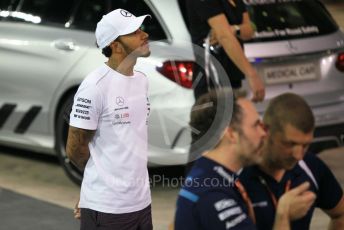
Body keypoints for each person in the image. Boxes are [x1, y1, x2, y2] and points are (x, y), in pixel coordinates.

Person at [174, 89, 316, 230]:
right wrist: (283, 215)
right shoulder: (214, 196)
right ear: (231, 133)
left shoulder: (206, 175)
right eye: (255, 125)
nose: (263, 134)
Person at [66, 9, 152, 230]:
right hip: (108, 210)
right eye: (134, 32)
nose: (144, 35)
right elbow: (74, 148)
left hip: (142, 203)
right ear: (115, 45)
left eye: (140, 28)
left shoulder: (142, 80)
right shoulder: (94, 87)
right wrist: (94, 191)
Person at [239, 93, 344, 230]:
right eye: (290, 144)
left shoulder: (311, 166)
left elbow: (340, 214)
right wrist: (283, 215)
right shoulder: (237, 175)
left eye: (305, 145)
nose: (298, 155)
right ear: (265, 130)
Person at [185, 0, 265, 102]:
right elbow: (224, 36)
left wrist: (235, 29)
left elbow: (249, 30)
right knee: (221, 115)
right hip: (212, 79)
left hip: (233, 75)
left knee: (236, 115)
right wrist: (252, 75)